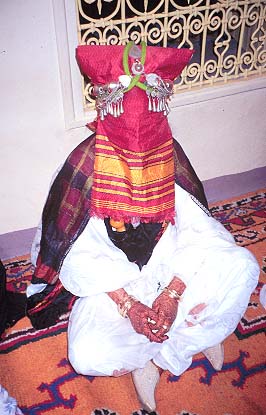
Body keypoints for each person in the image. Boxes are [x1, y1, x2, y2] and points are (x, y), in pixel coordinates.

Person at [26, 42, 259, 412]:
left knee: (243, 266)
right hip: (114, 286)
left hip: (172, 270)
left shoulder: (170, 154)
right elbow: (74, 257)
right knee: (86, 355)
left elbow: (201, 233)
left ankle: (170, 347)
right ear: (107, 113)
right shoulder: (82, 168)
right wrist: (130, 305)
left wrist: (172, 293)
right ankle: (186, 336)